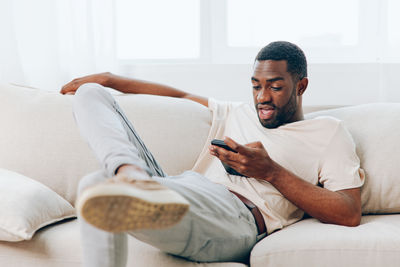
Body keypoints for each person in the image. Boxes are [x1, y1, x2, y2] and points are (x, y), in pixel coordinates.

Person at [61, 41, 365, 267]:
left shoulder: (329, 132)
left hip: (236, 218)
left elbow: (349, 212)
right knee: (91, 94)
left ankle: (137, 190)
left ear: (301, 86)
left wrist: (269, 171)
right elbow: (179, 96)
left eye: (275, 87)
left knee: (93, 186)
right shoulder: (237, 112)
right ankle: (131, 174)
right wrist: (110, 80)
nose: (262, 97)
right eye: (256, 86)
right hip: (184, 186)